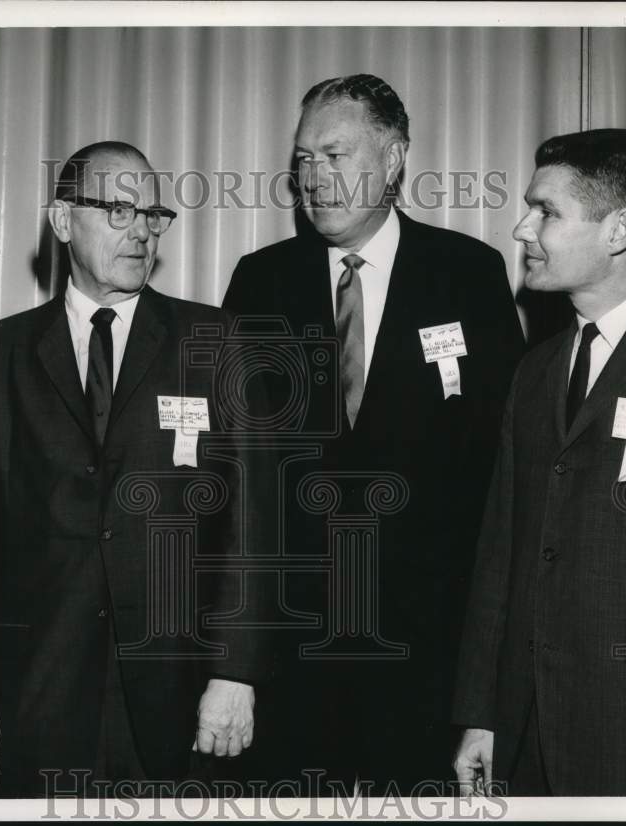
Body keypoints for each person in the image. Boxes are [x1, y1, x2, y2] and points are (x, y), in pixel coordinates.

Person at [222, 74, 524, 795]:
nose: (314, 178)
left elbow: (502, 467)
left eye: (335, 154)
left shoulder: (469, 275)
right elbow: (235, 474)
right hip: (295, 650)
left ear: (393, 160)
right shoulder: (261, 281)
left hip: (429, 650)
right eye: (303, 160)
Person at [0, 141, 272, 797]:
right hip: (38, 691)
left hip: (180, 693)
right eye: (118, 211)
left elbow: (255, 523)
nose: (141, 232)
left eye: (152, 214)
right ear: (63, 220)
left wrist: (235, 673)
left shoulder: (215, 343)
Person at [452, 128, 626, 796]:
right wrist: (481, 717)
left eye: (547, 211)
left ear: (618, 230)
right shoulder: (534, 371)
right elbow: (501, 556)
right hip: (522, 738)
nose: (522, 228)